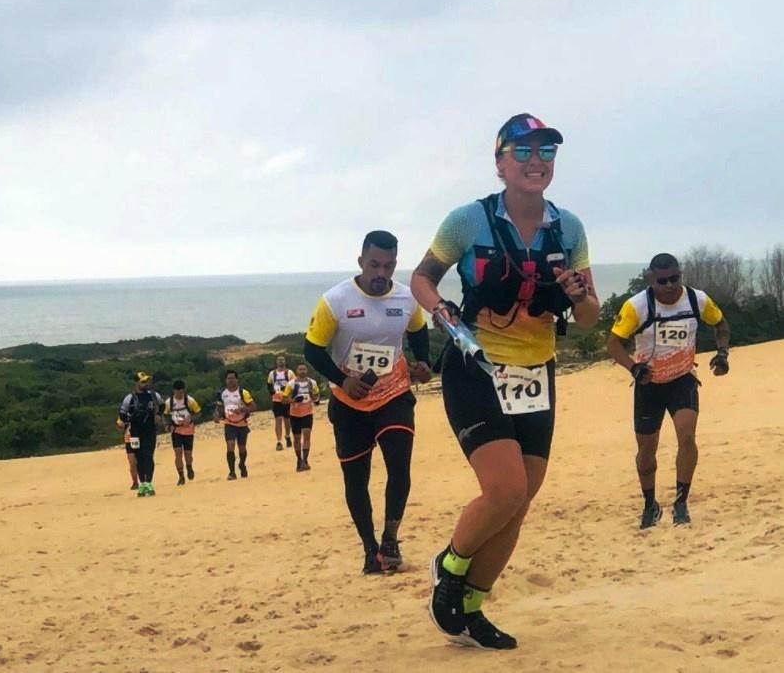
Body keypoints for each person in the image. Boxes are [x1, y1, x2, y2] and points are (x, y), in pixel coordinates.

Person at [411, 114, 599, 649]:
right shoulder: (468, 221)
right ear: (500, 163)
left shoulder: (569, 228)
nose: (536, 161)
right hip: (477, 367)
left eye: (546, 152)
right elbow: (423, 276)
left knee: (520, 501)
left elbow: (588, 316)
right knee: (505, 489)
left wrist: (578, 290)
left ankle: (472, 606)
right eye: (522, 151)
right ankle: (449, 567)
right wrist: (441, 309)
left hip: (537, 372)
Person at [304, 230, 432, 574]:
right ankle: (369, 548)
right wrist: (342, 380)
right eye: (374, 265)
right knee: (355, 480)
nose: (381, 274)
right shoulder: (335, 300)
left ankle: (390, 539)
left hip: (394, 394)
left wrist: (423, 362)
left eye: (388, 266)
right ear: (361, 262)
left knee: (399, 465)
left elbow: (419, 332)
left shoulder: (406, 299)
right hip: (350, 402)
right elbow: (312, 349)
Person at [606, 253, 731, 529]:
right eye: (663, 280)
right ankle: (650, 504)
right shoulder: (636, 306)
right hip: (649, 385)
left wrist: (723, 353)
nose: (670, 285)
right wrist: (633, 368)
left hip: (682, 379)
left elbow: (720, 324)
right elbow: (614, 343)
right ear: (652, 279)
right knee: (647, 450)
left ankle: (681, 502)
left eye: (675, 278)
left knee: (687, 437)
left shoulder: (697, 299)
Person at [118, 371, 164, 497]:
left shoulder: (154, 395)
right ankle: (142, 483)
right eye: (143, 382)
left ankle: (149, 482)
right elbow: (122, 413)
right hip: (135, 431)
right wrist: (127, 421)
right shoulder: (129, 398)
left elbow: (162, 405)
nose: (145, 384)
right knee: (138, 458)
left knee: (148, 455)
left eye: (146, 381)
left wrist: (158, 415)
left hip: (149, 430)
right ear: (136, 383)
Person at [214, 370, 257, 480]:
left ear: (237, 379)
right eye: (229, 378)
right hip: (229, 424)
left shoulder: (243, 392)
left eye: (233, 378)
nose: (231, 380)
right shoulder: (222, 394)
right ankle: (232, 472)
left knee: (242, 448)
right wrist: (217, 415)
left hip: (242, 424)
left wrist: (244, 409)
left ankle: (242, 464)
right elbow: (219, 408)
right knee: (230, 446)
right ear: (225, 380)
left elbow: (253, 407)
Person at [281, 363, 320, 471]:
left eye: (304, 369)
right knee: (297, 439)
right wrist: (293, 400)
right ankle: (299, 459)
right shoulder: (291, 384)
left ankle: (305, 460)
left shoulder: (312, 383)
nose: (302, 371)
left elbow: (317, 398)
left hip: (307, 413)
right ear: (296, 371)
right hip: (295, 414)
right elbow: (284, 400)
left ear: (307, 370)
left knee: (307, 435)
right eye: (300, 369)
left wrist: (314, 397)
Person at [163, 379, 202, 486]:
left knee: (188, 454)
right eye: (177, 391)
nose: (179, 394)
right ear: (173, 391)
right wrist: (167, 425)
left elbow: (198, 413)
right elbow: (165, 415)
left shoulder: (190, 400)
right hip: (176, 431)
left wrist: (191, 419)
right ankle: (181, 476)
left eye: (181, 391)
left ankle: (189, 467)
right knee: (178, 453)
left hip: (189, 430)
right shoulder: (168, 402)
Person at [267, 356, 296, 451]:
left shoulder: (290, 373)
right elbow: (269, 384)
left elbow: (294, 384)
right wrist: (272, 393)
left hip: (287, 400)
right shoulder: (272, 374)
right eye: (279, 360)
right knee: (278, 420)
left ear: (285, 361)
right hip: (276, 400)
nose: (281, 361)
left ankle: (287, 436)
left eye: (282, 359)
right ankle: (279, 441)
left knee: (287, 420)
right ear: (276, 362)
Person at [116, 416, 140, 490]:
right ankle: (135, 482)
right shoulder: (124, 412)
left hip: (140, 437)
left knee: (140, 460)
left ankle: (143, 480)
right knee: (132, 462)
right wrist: (121, 425)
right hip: (129, 438)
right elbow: (119, 425)